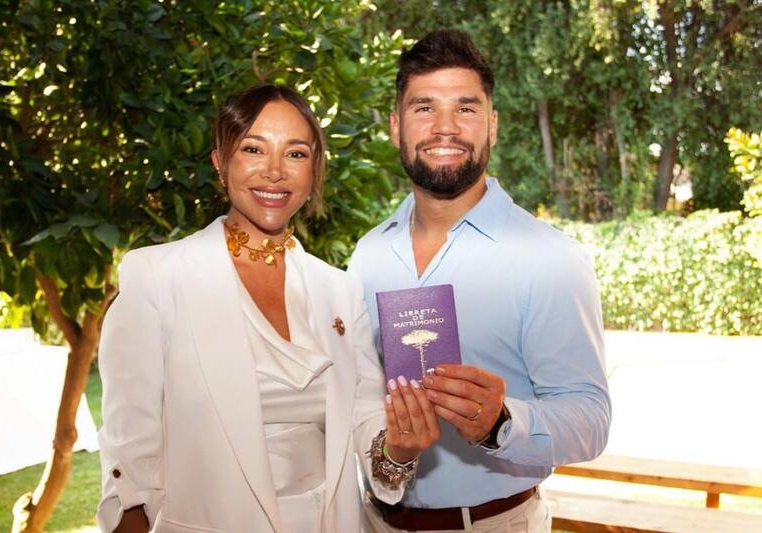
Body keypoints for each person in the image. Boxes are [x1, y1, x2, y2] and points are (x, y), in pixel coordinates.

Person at [96, 84, 440, 533]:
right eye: (254, 149)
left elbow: (366, 423)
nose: (275, 172)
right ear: (220, 163)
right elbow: (129, 455)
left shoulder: (339, 290)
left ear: (314, 169)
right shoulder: (157, 277)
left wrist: (399, 447)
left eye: (296, 154)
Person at [348, 30, 611, 532]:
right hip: (373, 521)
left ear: (492, 125)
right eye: (424, 107)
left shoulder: (548, 256)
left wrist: (502, 422)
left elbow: (591, 417)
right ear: (395, 126)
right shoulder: (368, 256)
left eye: (465, 109)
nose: (444, 127)